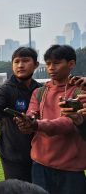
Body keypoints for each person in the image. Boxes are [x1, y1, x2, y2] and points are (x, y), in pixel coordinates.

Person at [14, 45, 86, 194]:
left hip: (71, 168)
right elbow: (31, 113)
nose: (51, 68)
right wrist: (26, 122)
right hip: (40, 165)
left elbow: (68, 124)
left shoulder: (80, 92)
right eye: (48, 64)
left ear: (71, 64)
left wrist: (36, 124)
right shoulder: (39, 92)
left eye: (56, 63)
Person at [0, 47, 41, 182]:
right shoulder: (5, 89)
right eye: (16, 62)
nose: (20, 65)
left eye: (25, 61)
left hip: (39, 153)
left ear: (36, 65)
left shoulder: (40, 89)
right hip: (13, 154)